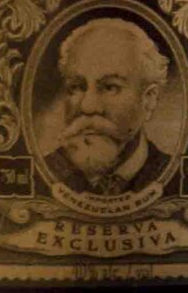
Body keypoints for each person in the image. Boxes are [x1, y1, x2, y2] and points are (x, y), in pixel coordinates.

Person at [41, 16, 176, 197]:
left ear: (148, 99)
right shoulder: (41, 171)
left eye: (110, 87)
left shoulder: (177, 174)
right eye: (77, 87)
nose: (88, 107)